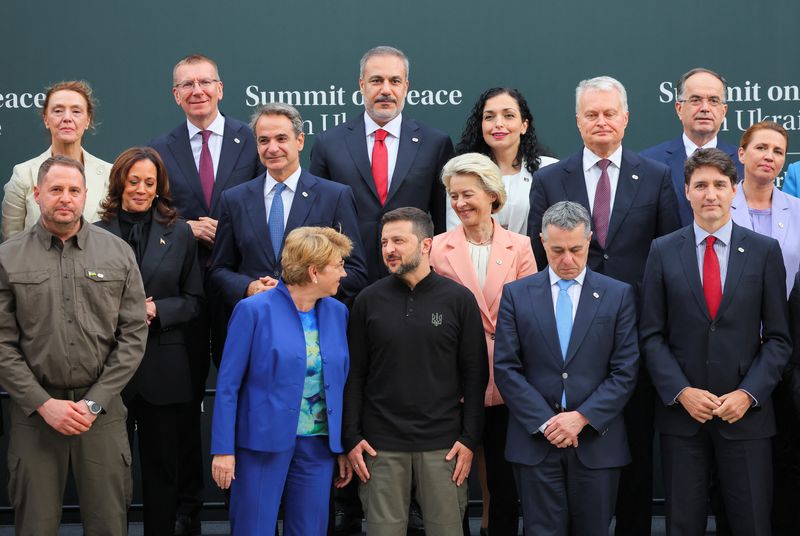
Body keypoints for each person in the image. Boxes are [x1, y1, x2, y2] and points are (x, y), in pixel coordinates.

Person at [527, 75, 680, 534]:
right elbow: (541, 258)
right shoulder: (552, 178)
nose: (601, 121)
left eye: (609, 113)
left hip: (634, 335)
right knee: (571, 455)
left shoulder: (655, 177)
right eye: (591, 114)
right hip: (567, 340)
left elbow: (668, 253)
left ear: (626, 118)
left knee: (632, 450)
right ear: (577, 121)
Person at [640, 148, 791, 536]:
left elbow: (778, 338)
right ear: (686, 191)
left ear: (734, 190)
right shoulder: (662, 250)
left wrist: (748, 395)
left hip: (746, 418)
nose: (711, 194)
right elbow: (651, 335)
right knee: (682, 525)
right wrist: (681, 392)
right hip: (682, 419)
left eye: (720, 185)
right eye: (701, 185)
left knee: (751, 523)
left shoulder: (763, 251)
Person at [0, 155, 148, 535]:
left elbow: (132, 336)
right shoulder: (8, 257)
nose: (65, 198)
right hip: (34, 416)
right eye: (55, 190)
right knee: (34, 526)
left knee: (108, 525)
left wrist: (94, 402)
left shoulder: (117, 253)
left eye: (74, 190)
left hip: (101, 413)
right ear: (37, 194)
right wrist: (43, 404)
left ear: (86, 196)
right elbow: (2, 343)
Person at [148, 54, 262, 535]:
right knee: (182, 406)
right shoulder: (160, 147)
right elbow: (148, 213)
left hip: (244, 292)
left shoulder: (252, 140)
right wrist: (184, 227)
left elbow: (267, 197)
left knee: (252, 398)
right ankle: (186, 510)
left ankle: (252, 504)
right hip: (186, 294)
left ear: (220, 88)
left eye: (204, 82)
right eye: (185, 84)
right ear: (175, 95)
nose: (196, 90)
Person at [494, 201, 639, 535]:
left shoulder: (617, 295)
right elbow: (506, 368)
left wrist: (581, 417)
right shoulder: (516, 295)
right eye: (557, 250)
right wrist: (546, 423)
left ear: (589, 240)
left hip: (596, 443)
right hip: (535, 444)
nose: (568, 260)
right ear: (542, 242)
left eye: (576, 249)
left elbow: (626, 369)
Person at [344, 207, 488, 536]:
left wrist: (469, 439)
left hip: (444, 446)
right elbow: (354, 375)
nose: (389, 249)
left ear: (426, 245)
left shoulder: (459, 300)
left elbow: (475, 375)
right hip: (380, 446)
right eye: (383, 243)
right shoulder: (368, 301)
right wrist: (352, 437)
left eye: (398, 240)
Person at [211, 226, 354, 536]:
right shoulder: (253, 311)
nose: (344, 274)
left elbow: (341, 384)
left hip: (318, 448)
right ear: (314, 271)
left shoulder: (338, 313)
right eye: (339, 265)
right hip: (260, 446)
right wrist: (223, 450)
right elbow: (228, 385)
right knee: (254, 530)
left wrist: (341, 446)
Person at [94, 147, 203, 536]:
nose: (141, 189)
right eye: (134, 180)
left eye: (150, 183)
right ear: (120, 180)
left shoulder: (181, 233)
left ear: (160, 188)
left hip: (164, 368)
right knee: (107, 474)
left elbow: (194, 302)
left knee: (162, 473)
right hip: (108, 373)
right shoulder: (94, 233)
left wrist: (156, 311)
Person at [208, 103, 368, 362]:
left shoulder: (334, 196)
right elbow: (219, 270)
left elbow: (357, 272)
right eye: (264, 140)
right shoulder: (234, 199)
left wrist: (297, 289)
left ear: (300, 141)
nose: (272, 148)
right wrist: (249, 287)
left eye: (281, 138)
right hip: (256, 336)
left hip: (314, 336)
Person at [430, 153, 537, 535]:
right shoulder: (437, 248)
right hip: (453, 378)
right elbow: (433, 316)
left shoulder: (520, 246)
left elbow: (530, 313)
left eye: (468, 194)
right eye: (453, 196)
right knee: (453, 472)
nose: (460, 204)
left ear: (492, 194)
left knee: (502, 474)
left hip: (508, 375)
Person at [310, 45, 454, 283]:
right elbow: (318, 222)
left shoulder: (435, 143)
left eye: (394, 81)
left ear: (405, 87)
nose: (386, 90)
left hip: (413, 280)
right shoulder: (329, 143)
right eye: (376, 80)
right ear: (361, 85)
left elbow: (443, 222)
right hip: (345, 282)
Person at [728, 121, 800, 535]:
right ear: (741, 153)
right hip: (732, 346)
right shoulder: (719, 204)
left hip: (783, 346)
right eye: (761, 148)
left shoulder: (795, 209)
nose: (769, 156)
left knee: (783, 452)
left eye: (778, 150)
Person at [3, 80, 111, 240]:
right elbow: (11, 244)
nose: (67, 118)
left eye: (76, 111)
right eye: (58, 110)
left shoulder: (109, 174)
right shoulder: (23, 174)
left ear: (88, 120)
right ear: (46, 119)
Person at [448, 87, 558, 234]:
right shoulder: (462, 174)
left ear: (524, 126)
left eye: (508, 115)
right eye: (489, 117)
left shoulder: (550, 169)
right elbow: (454, 232)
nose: (498, 123)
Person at [642, 68, 744, 226]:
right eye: (695, 100)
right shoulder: (649, 162)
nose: (705, 108)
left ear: (724, 111)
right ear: (679, 109)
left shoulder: (744, 163)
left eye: (713, 101)